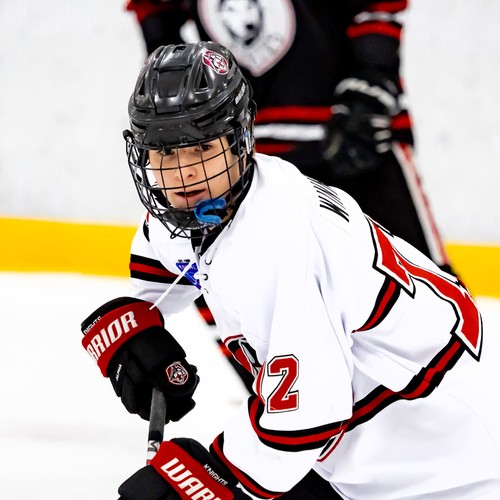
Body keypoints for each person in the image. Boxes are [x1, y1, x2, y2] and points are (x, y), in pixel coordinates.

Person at [81, 42, 500, 499]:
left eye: (200, 147)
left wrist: (207, 480)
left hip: (449, 463)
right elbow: (161, 260)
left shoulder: (277, 244)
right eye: (164, 152)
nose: (183, 174)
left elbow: (306, 420)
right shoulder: (211, 202)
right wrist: (135, 327)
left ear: (239, 139)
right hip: (380, 444)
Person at [124, 0, 452, 273]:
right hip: (247, 146)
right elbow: (155, 8)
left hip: (349, 130)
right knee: (248, 298)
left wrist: (371, 81)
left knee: (421, 285)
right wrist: (174, 82)